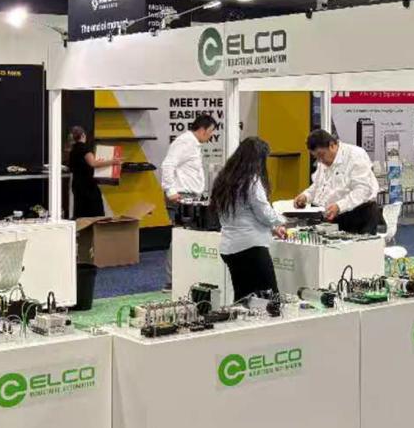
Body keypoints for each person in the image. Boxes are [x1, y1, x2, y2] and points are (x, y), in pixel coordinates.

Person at [210, 137, 286, 302]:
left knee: (243, 298)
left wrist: (272, 228)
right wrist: (283, 220)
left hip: (229, 247)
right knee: (269, 299)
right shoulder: (252, 181)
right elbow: (264, 212)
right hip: (251, 248)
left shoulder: (224, 179)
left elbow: (243, 214)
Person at [160, 114, 219, 288]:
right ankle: (172, 282)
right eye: (210, 131)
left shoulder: (193, 144)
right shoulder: (185, 142)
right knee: (180, 237)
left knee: (188, 237)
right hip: (181, 197)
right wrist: (170, 191)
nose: (211, 136)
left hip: (189, 197)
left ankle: (185, 278)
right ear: (202, 129)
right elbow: (167, 165)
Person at [294, 129, 381, 235]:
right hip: (336, 216)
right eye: (316, 157)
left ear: (332, 145)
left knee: (360, 246)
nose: (320, 160)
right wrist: (306, 196)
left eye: (321, 155)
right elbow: (319, 185)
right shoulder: (324, 161)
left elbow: (363, 190)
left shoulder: (355, 155)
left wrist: (340, 206)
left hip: (361, 215)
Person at [67, 126, 113, 219]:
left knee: (81, 210)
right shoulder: (84, 149)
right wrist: (112, 161)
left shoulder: (72, 150)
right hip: (88, 185)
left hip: (77, 184)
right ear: (83, 135)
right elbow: (93, 163)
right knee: (94, 210)